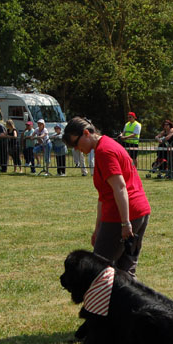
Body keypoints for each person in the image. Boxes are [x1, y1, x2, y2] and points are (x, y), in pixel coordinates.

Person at [63, 117, 151, 276]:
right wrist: (98, 228)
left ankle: (97, 301)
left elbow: (120, 187)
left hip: (122, 215)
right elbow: (103, 196)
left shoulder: (104, 152)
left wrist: (125, 223)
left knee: (98, 272)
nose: (76, 149)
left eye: (76, 143)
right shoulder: (108, 144)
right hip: (140, 212)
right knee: (125, 273)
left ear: (86, 133)